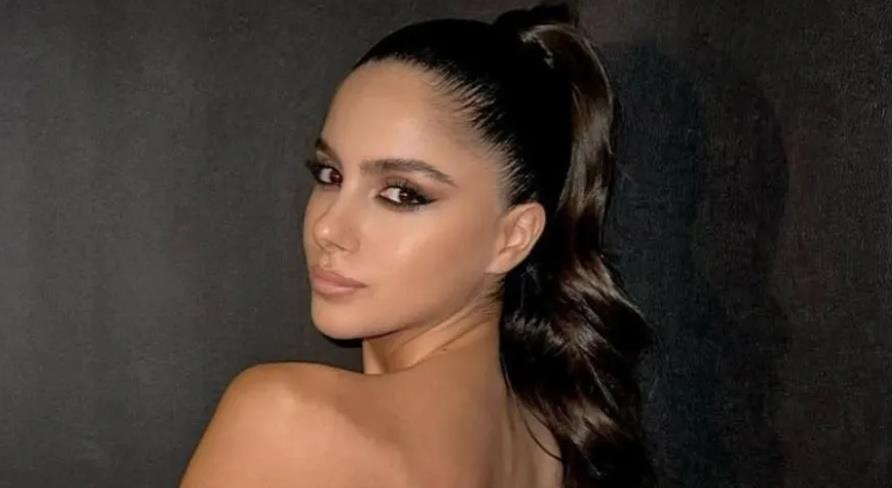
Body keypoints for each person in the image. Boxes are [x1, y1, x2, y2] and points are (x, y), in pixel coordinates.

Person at [179, 3, 653, 487]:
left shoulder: (288, 422)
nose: (328, 228)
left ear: (512, 237)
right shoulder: (548, 447)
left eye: (402, 194)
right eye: (330, 175)